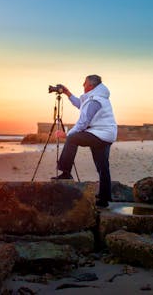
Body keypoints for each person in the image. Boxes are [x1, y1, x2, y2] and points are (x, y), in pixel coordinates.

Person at [52, 74, 117, 207]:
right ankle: (105, 199)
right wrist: (67, 93)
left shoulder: (94, 100)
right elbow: (80, 104)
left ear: (91, 86)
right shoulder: (97, 96)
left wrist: (66, 135)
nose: (83, 85)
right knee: (102, 166)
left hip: (100, 134)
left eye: (84, 83)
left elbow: (83, 122)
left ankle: (65, 172)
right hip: (106, 134)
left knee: (73, 138)